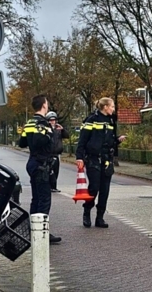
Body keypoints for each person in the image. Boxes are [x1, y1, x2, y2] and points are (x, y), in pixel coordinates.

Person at [75, 97, 125, 229]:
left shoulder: (111, 121)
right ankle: (87, 212)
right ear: (105, 107)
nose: (113, 109)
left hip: (107, 160)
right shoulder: (91, 120)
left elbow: (110, 140)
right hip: (93, 159)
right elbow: (82, 140)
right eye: (112, 106)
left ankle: (100, 217)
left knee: (105, 190)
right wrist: (79, 157)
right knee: (94, 188)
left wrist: (118, 140)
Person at [18, 95, 61, 245]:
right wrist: (51, 133)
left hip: (32, 163)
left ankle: (33, 229)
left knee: (36, 198)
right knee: (44, 199)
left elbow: (22, 143)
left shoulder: (29, 123)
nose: (47, 105)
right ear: (43, 105)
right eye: (47, 103)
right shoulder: (43, 124)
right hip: (42, 164)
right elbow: (40, 142)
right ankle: (42, 233)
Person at [46, 111, 69, 193]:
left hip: (57, 153)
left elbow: (67, 136)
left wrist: (62, 130)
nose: (52, 122)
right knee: (50, 171)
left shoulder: (58, 130)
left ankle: (54, 186)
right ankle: (50, 186)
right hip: (49, 154)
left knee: (56, 171)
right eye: (50, 120)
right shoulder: (47, 129)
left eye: (54, 120)